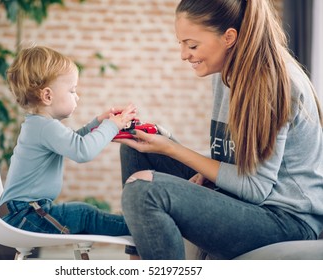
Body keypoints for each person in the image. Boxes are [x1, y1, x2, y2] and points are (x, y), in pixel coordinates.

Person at [116, 0, 323, 259]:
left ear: (228, 37)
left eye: (192, 45)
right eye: (181, 44)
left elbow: (255, 188)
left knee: (144, 191)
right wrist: (166, 145)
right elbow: (234, 156)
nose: (183, 54)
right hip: (247, 200)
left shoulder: (272, 83)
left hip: (285, 219)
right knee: (136, 149)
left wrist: (173, 149)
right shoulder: (225, 73)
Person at [0, 45, 137, 240]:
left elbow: (74, 140)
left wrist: (99, 122)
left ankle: (132, 226)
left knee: (83, 213)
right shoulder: (45, 127)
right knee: (84, 214)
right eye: (72, 90)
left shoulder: (40, 125)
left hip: (22, 213)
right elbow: (82, 151)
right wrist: (112, 125)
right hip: (25, 215)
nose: (77, 96)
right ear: (47, 96)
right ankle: (139, 226)